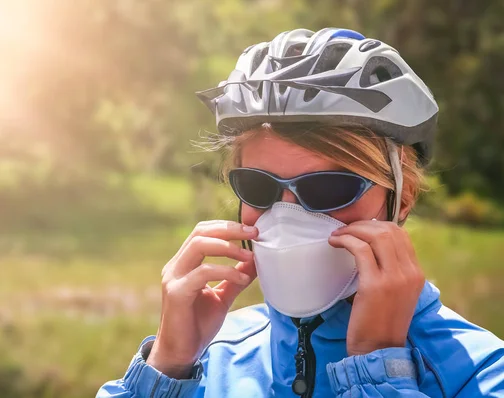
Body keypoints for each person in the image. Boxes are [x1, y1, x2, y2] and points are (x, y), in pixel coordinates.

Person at [97, 28, 504, 397]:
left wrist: (378, 370)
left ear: (404, 196)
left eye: (328, 188)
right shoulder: (212, 356)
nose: (287, 215)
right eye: (258, 186)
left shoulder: (483, 374)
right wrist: (166, 368)